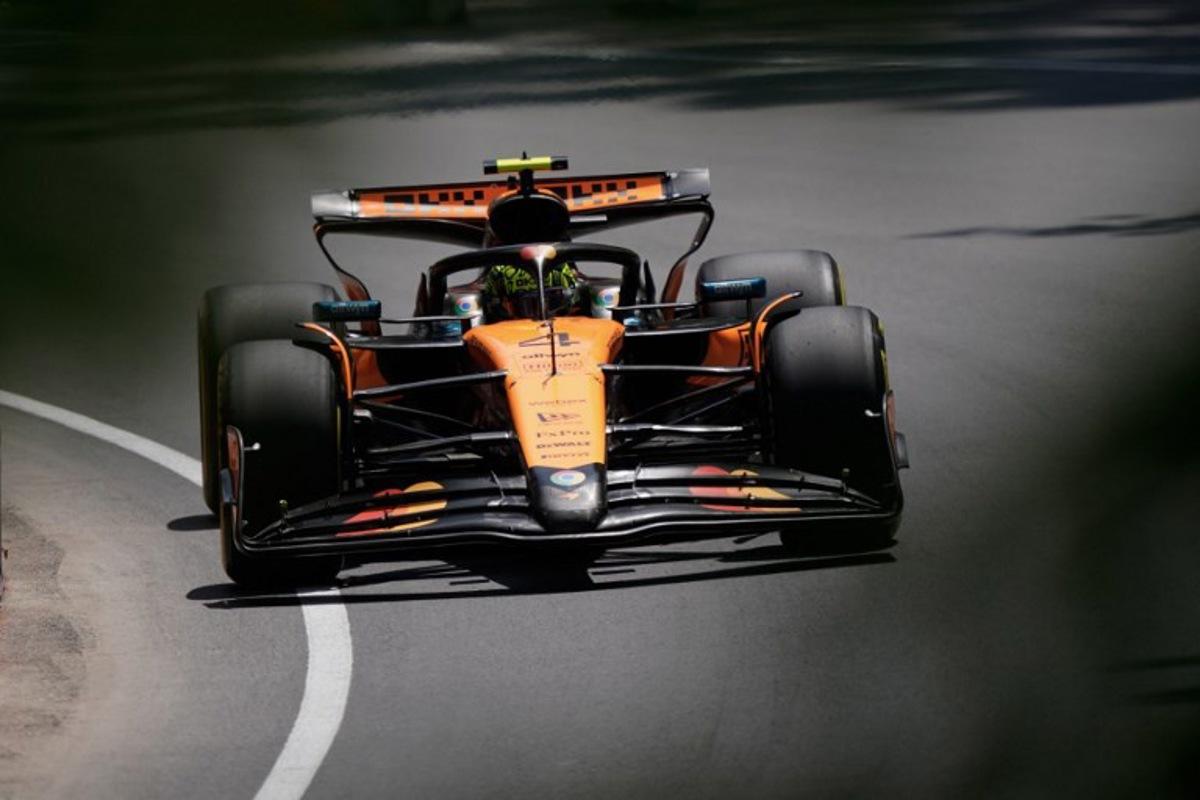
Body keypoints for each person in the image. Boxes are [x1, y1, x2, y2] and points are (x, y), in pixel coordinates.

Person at [480, 260, 581, 321]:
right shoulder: (499, 271)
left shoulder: (560, 269)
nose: (538, 319)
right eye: (527, 306)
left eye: (550, 302)